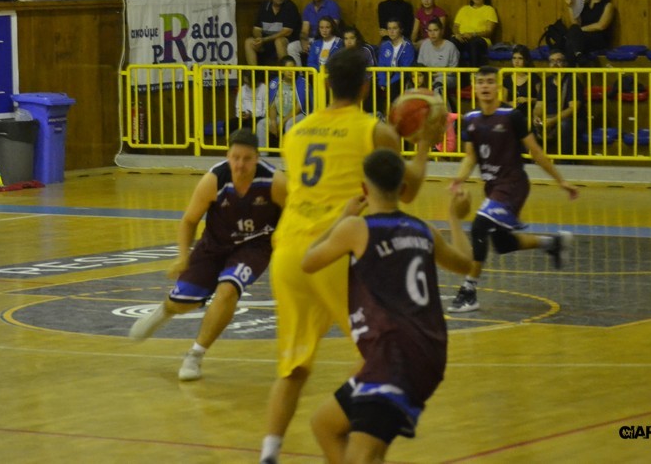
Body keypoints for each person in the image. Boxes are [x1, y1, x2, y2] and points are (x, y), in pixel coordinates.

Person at [259, 48, 444, 464]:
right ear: (365, 87)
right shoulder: (374, 131)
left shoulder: (295, 131)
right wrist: (422, 146)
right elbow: (407, 191)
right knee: (379, 361)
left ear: (326, 84)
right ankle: (360, 446)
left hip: (289, 253)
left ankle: (268, 454)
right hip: (338, 250)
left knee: (293, 368)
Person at [302, 148, 473, 464]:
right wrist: (454, 218)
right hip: (423, 352)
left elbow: (308, 261)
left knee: (361, 457)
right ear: (403, 188)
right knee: (325, 425)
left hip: (395, 355)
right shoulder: (424, 230)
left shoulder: (356, 228)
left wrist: (342, 219)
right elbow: (466, 264)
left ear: (364, 189)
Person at [129, 129, 287, 380]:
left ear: (257, 158)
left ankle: (195, 354)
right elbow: (189, 220)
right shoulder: (214, 179)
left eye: (247, 159)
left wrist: (286, 243)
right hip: (214, 245)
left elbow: (295, 214)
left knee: (228, 289)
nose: (240, 164)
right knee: (184, 302)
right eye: (235, 158)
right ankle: (164, 311)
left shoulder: (274, 182)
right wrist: (183, 256)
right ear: (227, 156)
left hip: (254, 246)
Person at [450, 65, 579, 313]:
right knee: (503, 243)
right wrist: (459, 179)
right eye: (481, 82)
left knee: (479, 226)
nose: (485, 86)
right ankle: (553, 243)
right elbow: (470, 156)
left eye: (490, 82)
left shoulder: (512, 116)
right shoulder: (471, 119)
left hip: (513, 185)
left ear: (498, 87)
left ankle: (468, 291)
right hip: (493, 187)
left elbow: (536, 152)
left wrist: (561, 181)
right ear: (474, 87)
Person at [256, 56, 311, 150]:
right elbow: (272, 105)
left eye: (293, 68)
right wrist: (273, 122)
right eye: (287, 69)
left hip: (299, 115)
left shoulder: (302, 83)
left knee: (290, 123)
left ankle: (289, 154)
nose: (291, 71)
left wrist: (282, 123)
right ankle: (263, 155)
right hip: (280, 116)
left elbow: (298, 108)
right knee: (262, 124)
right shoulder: (275, 83)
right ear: (281, 70)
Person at [288, 0, 344, 66]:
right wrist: (303, 41)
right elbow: (304, 31)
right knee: (292, 47)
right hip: (311, 39)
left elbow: (333, 28)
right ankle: (299, 73)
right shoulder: (308, 8)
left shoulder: (332, 6)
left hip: (325, 38)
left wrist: (316, 43)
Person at [245, 0, 302, 66]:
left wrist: (265, 39)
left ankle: (284, 72)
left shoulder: (290, 7)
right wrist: (259, 39)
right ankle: (253, 73)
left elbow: (287, 32)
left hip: (285, 41)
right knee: (249, 42)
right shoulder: (264, 7)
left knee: (279, 41)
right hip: (266, 41)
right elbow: (256, 29)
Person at [565, 0, 615, 65]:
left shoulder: (608, 5)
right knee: (572, 36)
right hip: (582, 38)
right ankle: (579, 57)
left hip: (599, 39)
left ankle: (572, 67)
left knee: (571, 40)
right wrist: (570, 6)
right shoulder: (584, 6)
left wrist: (580, 30)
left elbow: (601, 26)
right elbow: (575, 23)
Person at [452, 0, 499, 67]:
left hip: (479, 40)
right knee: (452, 41)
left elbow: (489, 32)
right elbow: (455, 26)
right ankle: (454, 73)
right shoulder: (464, 9)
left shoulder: (489, 10)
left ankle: (474, 73)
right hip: (463, 38)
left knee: (474, 43)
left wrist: (473, 34)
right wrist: (457, 34)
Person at [415, 18, 459, 108]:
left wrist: (438, 74)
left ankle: (445, 114)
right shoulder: (424, 45)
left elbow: (453, 70)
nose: (432, 33)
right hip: (427, 77)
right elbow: (420, 66)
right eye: (430, 31)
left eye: (435, 30)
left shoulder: (450, 47)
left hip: (447, 77)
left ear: (441, 31)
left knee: (437, 86)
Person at [375, 19, 416, 115]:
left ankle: (394, 116)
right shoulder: (384, 46)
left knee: (394, 86)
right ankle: (378, 115)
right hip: (387, 77)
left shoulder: (408, 46)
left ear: (401, 30)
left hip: (402, 77)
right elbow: (381, 65)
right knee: (372, 86)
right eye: (389, 29)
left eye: (394, 28)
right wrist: (382, 82)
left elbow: (405, 68)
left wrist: (388, 82)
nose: (391, 31)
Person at [501, 44, 539, 119]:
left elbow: (542, 100)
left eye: (520, 58)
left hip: (530, 115)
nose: (516, 61)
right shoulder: (507, 80)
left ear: (526, 60)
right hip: (511, 116)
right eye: (514, 58)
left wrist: (528, 99)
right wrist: (510, 104)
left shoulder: (534, 78)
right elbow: (503, 102)